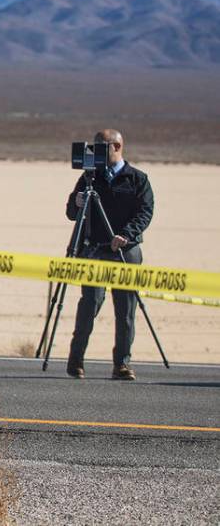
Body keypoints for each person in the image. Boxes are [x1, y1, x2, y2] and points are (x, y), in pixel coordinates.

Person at [65, 129, 154, 381]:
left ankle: (122, 364)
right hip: (94, 250)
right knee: (89, 304)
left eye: (100, 147)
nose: (95, 152)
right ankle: (76, 360)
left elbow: (145, 213)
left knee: (125, 310)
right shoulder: (89, 179)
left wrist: (126, 234)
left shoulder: (137, 179)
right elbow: (71, 212)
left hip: (125, 251)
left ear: (116, 146)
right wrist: (77, 202)